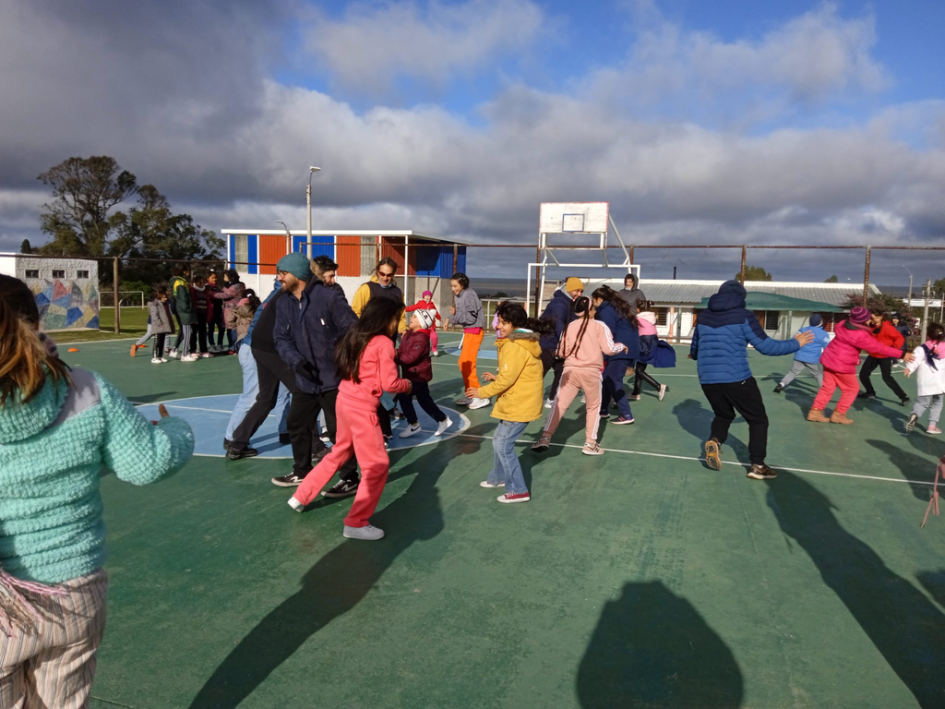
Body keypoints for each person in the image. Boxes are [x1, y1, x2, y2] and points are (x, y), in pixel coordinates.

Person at [0, 290, 194, 708]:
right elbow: (146, 463)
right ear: (37, 324)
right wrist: (178, 428)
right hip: (74, 593)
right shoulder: (82, 388)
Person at [288, 298, 412, 540]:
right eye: (397, 319)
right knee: (376, 467)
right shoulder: (383, 343)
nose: (397, 324)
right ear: (386, 318)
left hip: (343, 402)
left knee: (340, 451)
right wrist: (406, 384)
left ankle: (301, 495)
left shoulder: (355, 335)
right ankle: (356, 522)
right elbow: (390, 383)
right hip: (363, 410)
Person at [690, 280, 812, 480]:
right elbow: (767, 347)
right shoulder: (744, 316)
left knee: (723, 414)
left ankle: (715, 440)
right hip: (737, 378)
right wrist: (796, 343)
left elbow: (694, 351)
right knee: (757, 420)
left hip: (708, 380)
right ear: (741, 298)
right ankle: (758, 465)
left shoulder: (703, 317)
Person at [273, 253, 362, 494]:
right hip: (305, 380)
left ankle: (350, 477)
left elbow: (353, 331)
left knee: (338, 431)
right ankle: (302, 471)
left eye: (282, 272)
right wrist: (296, 361)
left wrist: (341, 360)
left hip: (333, 379)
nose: (278, 277)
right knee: (297, 423)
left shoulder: (328, 298)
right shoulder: (282, 303)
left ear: (298, 275)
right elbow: (280, 337)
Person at [465, 303, 549, 503]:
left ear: (514, 325)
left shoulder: (514, 346)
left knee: (504, 444)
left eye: (504, 323)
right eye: (499, 322)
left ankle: (519, 490)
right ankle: (498, 478)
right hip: (518, 400)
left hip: (519, 404)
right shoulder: (522, 342)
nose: (499, 326)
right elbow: (516, 375)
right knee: (498, 440)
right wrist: (497, 378)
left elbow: (507, 380)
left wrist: (482, 392)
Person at [532, 296, 628, 456]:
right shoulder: (599, 325)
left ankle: (545, 437)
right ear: (590, 310)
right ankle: (590, 444)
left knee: (559, 404)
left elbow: (561, 351)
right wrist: (621, 346)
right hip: (591, 372)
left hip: (570, 371)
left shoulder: (569, 327)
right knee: (593, 407)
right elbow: (609, 349)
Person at [808, 306, 913, 425]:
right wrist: (901, 354)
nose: (870, 320)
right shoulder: (860, 335)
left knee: (828, 387)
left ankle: (815, 411)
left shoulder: (842, 324)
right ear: (863, 320)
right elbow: (878, 348)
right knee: (851, 389)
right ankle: (838, 414)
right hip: (842, 364)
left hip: (829, 359)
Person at [225, 278, 294, 459]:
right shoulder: (281, 298)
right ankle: (233, 438)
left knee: (281, 394)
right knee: (253, 397)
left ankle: (285, 430)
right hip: (256, 349)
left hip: (265, 349)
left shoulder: (277, 296)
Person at [395, 308, 452, 438]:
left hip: (418, 376)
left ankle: (414, 424)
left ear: (421, 322)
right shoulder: (410, 334)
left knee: (403, 395)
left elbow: (410, 358)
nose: (411, 318)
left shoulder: (421, 338)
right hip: (413, 374)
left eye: (414, 317)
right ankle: (443, 420)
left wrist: (393, 356)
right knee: (424, 400)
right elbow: (404, 351)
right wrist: (396, 352)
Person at [592, 285, 639, 425]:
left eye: (594, 302)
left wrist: (603, 355)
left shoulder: (607, 310)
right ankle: (603, 409)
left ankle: (626, 414)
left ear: (600, 299)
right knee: (607, 378)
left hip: (621, 349)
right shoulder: (618, 307)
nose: (593, 305)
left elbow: (607, 333)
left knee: (613, 379)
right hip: (628, 347)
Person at [538, 278, 584, 408]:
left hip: (558, 345)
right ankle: (525, 396)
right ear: (569, 289)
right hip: (548, 344)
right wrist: (568, 342)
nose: (579, 294)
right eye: (577, 290)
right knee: (538, 374)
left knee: (561, 373)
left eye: (581, 291)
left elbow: (573, 322)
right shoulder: (559, 303)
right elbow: (559, 324)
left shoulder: (570, 303)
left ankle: (552, 399)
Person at [447, 272, 489, 409]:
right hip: (469, 332)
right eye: (452, 286)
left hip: (475, 332)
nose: (453, 289)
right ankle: (470, 394)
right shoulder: (460, 295)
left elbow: (470, 318)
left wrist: (454, 318)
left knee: (468, 364)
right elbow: (463, 315)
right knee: (463, 363)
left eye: (455, 286)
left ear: (463, 284)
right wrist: (452, 317)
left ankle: (478, 395)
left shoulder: (469, 295)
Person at [859, 308, 909, 405]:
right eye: (872, 318)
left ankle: (904, 397)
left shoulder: (887, 328)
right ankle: (870, 392)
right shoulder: (870, 326)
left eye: (876, 318)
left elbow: (899, 338)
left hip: (885, 356)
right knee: (863, 374)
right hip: (873, 355)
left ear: (881, 317)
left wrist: (893, 348)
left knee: (886, 377)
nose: (874, 320)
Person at [904, 322, 945, 434]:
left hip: (926, 382)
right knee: (937, 403)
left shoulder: (921, 348)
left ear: (927, 336)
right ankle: (932, 426)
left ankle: (915, 414)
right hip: (940, 382)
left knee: (921, 403)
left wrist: (909, 369)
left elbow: (915, 360)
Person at [774, 314, 830, 392]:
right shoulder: (823, 334)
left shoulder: (802, 330)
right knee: (818, 374)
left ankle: (781, 384)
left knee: (793, 372)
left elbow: (794, 340)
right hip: (812, 359)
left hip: (799, 356)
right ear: (820, 323)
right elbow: (827, 347)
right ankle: (824, 390)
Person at [631, 299, 672, 401]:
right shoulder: (651, 317)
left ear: (638, 309)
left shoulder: (639, 318)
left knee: (639, 371)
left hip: (645, 342)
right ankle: (636, 393)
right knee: (639, 369)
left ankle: (658, 386)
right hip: (652, 342)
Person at [168, 264, 197, 361]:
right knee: (188, 331)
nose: (189, 273)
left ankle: (175, 349)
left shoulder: (178, 281)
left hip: (180, 309)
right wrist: (188, 309)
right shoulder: (179, 282)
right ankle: (184, 354)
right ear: (184, 271)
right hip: (183, 310)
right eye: (188, 270)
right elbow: (183, 298)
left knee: (185, 331)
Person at [212, 269, 245, 353]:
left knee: (233, 330)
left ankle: (235, 347)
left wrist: (211, 294)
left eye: (226, 277)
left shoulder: (236, 286)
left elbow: (226, 294)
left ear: (231, 277)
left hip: (233, 310)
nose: (224, 278)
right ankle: (232, 346)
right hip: (229, 311)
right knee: (230, 330)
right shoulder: (232, 285)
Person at [407, 290, 442, 356]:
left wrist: (439, 317)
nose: (427, 297)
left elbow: (435, 312)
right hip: (423, 325)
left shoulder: (432, 304)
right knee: (423, 339)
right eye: (426, 296)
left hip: (431, 325)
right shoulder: (420, 303)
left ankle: (434, 348)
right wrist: (405, 309)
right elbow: (413, 307)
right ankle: (423, 350)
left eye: (429, 296)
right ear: (423, 296)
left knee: (434, 337)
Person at [146, 286, 174, 364]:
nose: (165, 299)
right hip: (158, 326)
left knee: (162, 342)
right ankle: (154, 357)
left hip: (163, 326)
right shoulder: (155, 304)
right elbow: (154, 315)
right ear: (159, 297)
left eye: (166, 297)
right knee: (157, 342)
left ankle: (160, 356)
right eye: (164, 297)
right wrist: (159, 323)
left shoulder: (165, 304)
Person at [190, 273, 212, 359]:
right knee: (193, 334)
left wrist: (208, 315)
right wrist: (194, 317)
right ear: (196, 282)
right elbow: (192, 304)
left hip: (203, 314)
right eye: (200, 282)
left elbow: (208, 303)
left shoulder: (205, 291)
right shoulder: (192, 290)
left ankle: (203, 350)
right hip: (196, 315)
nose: (202, 284)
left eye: (203, 282)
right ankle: (193, 350)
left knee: (203, 333)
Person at [206, 271, 227, 353]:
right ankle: (212, 345)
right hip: (211, 311)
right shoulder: (207, 287)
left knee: (221, 328)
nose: (214, 279)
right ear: (208, 278)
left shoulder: (218, 287)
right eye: (212, 278)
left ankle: (219, 344)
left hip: (218, 311)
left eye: (215, 277)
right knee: (211, 328)